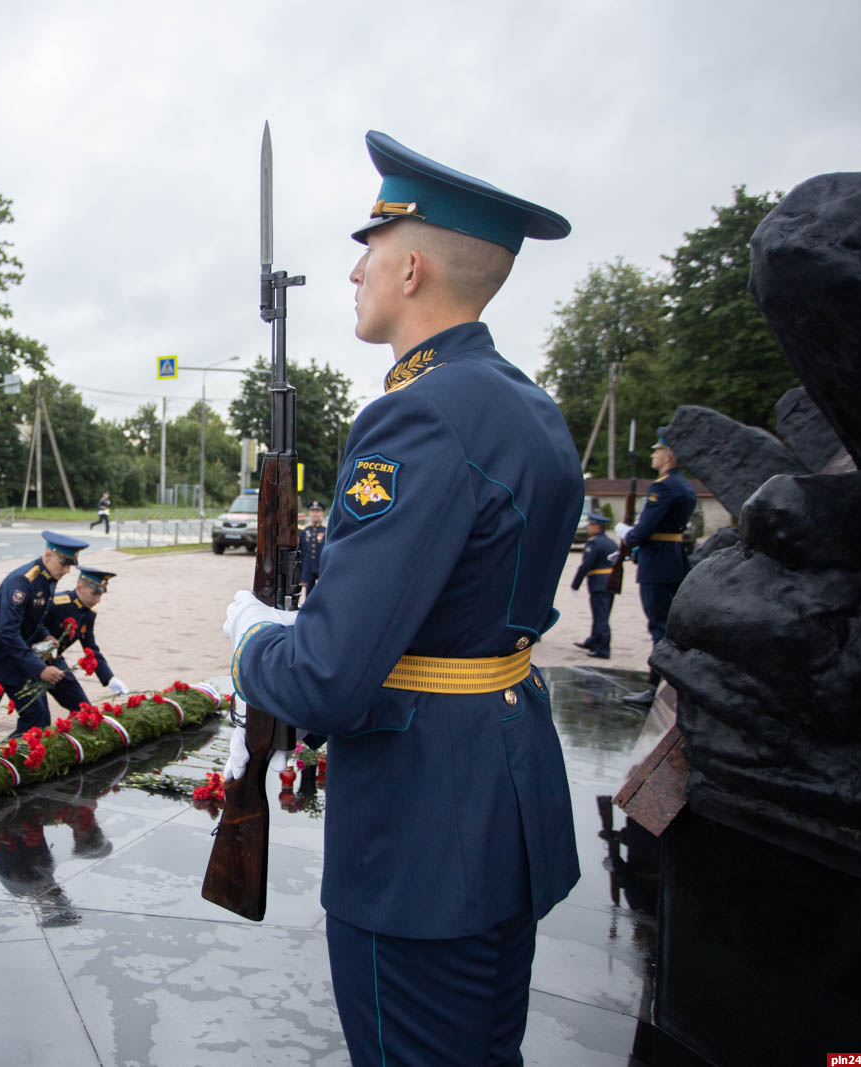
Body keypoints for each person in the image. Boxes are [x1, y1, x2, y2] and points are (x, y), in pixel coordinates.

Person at [223, 130, 581, 1065]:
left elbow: (331, 678)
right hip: (499, 800)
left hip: (423, 835)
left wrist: (254, 643)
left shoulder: (418, 415)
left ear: (413, 265)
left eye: (369, 249)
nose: (353, 273)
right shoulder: (526, 407)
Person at [0, 531, 87, 735]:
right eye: (63, 564)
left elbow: (34, 619)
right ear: (48, 556)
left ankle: (11, 760)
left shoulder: (48, 578)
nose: (66, 570)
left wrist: (45, 636)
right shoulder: (22, 582)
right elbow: (8, 633)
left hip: (13, 660)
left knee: (38, 717)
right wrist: (40, 669)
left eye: (69, 565)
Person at [614, 431, 697, 707]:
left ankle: (654, 689)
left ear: (668, 455)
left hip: (657, 564)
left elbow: (644, 530)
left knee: (659, 627)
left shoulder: (662, 487)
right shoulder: (684, 486)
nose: (653, 455)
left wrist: (627, 533)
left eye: (657, 451)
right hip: (674, 559)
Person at [45, 568, 130, 712]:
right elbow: (31, 625)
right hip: (31, 663)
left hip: (55, 660)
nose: (98, 600)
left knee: (85, 709)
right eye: (94, 594)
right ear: (79, 587)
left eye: (101, 594)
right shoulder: (57, 603)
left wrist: (109, 678)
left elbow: (90, 649)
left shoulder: (89, 613)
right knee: (38, 718)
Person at [571, 512, 617, 660]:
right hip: (611, 582)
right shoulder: (611, 542)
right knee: (603, 613)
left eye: (591, 525)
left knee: (601, 616)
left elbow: (586, 565)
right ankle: (594, 641)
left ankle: (603, 648)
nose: (589, 528)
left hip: (598, 582)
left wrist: (575, 584)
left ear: (598, 527)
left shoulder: (594, 543)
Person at [299, 500, 327, 597]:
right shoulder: (305, 531)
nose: (315, 514)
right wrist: (303, 573)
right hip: (308, 567)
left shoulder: (326, 531)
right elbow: (302, 552)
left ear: (322, 513)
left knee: (323, 592)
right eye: (313, 511)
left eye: (317, 511)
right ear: (309, 513)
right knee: (309, 594)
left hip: (321, 566)